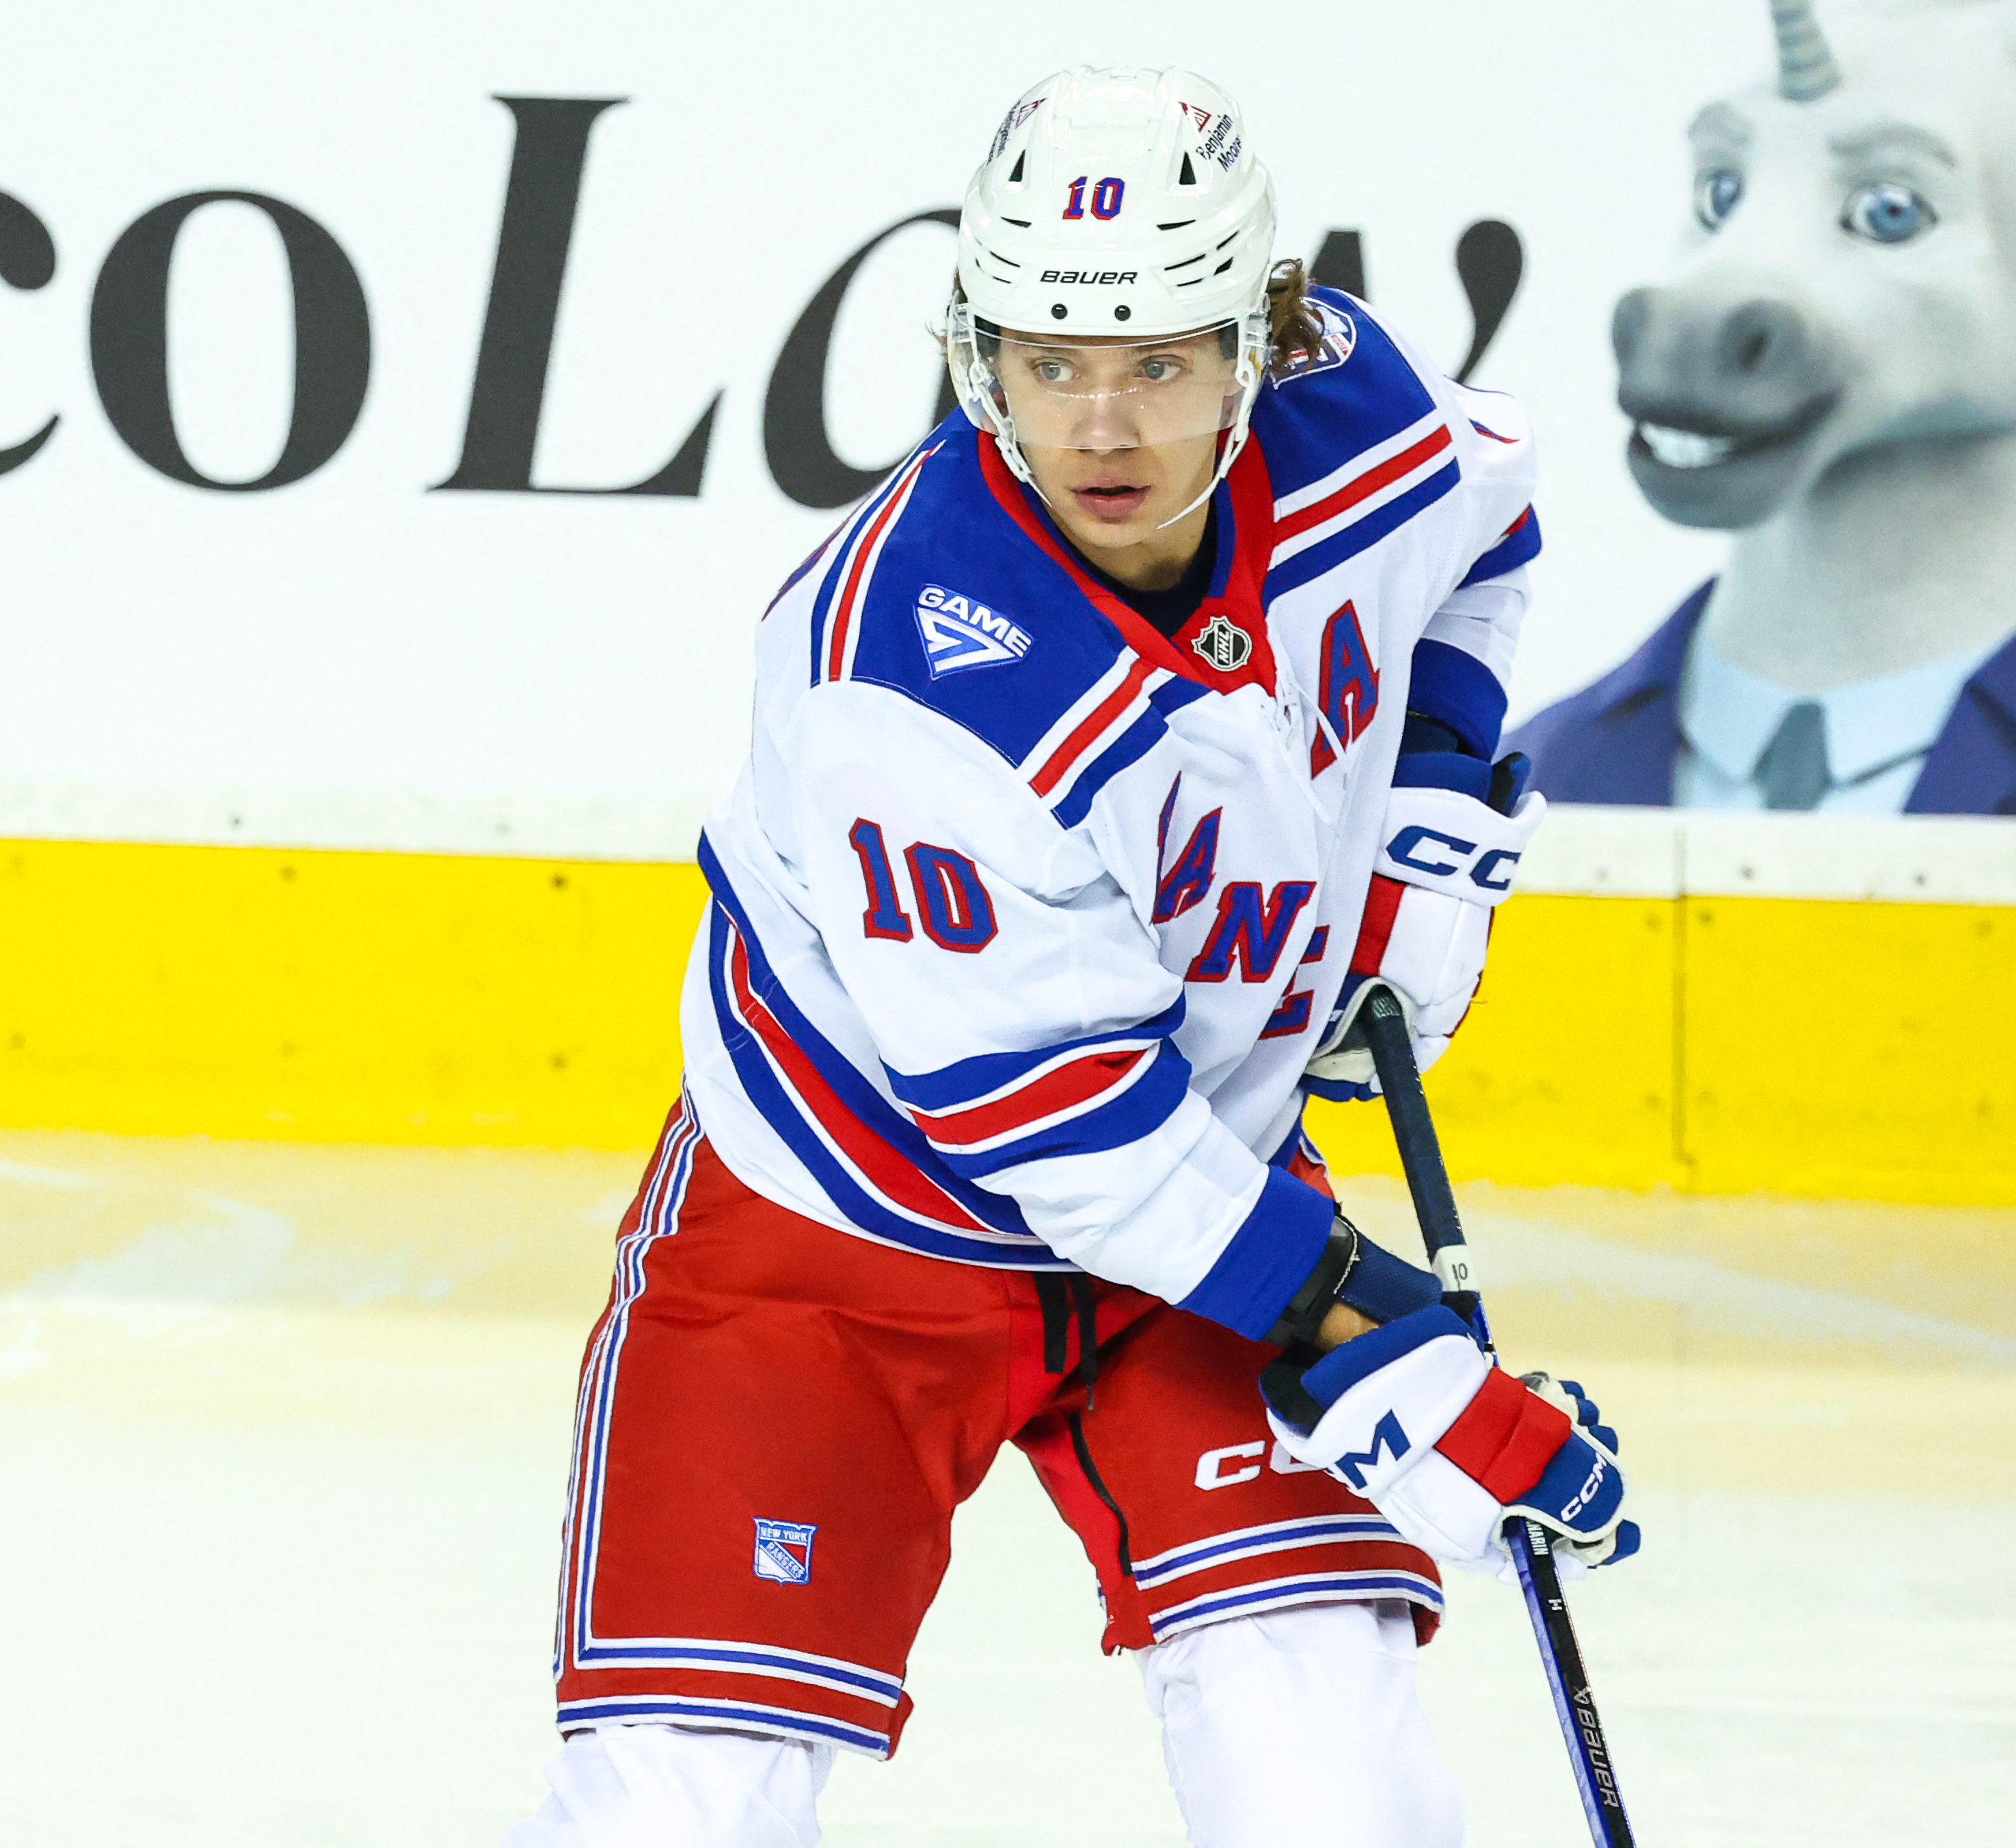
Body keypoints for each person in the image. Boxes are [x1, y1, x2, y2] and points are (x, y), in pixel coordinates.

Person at [509, 65, 1635, 1848]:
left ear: (1262, 340)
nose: (1103, 423)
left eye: (1163, 362)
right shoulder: (913, 678)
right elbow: (1073, 1145)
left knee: (1332, 1786)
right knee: (681, 1815)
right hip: (842, 1235)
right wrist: (1386, 1340)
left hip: (1212, 1184)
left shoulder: (1356, 429)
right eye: (1051, 360)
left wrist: (1431, 841)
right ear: (983, 352)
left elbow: (1493, 529)